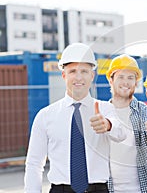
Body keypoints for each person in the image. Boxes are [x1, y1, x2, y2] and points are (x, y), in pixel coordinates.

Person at [24, 43, 126, 193]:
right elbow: (34, 163)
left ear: (92, 76)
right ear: (64, 75)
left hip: (98, 189)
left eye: (84, 71)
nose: (78, 77)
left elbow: (121, 133)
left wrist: (108, 125)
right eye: (72, 71)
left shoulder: (106, 109)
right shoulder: (45, 116)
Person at [106, 54, 147, 193]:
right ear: (110, 80)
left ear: (136, 82)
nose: (125, 82)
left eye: (130, 77)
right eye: (120, 77)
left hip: (143, 190)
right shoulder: (102, 113)